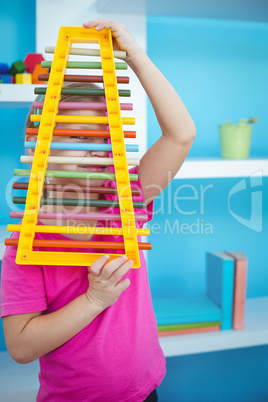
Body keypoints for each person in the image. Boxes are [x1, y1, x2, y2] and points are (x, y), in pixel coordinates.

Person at [0, 19, 196, 402]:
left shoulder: (127, 196)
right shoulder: (25, 241)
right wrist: (94, 300)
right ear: (40, 140)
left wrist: (135, 55)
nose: (94, 147)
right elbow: (21, 347)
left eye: (103, 136)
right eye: (78, 135)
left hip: (145, 389)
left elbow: (181, 134)